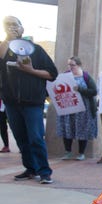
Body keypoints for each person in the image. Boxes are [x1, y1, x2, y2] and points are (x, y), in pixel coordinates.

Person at [0, 16, 58, 184]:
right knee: (21, 138)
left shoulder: (37, 50)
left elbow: (52, 74)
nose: (11, 27)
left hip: (33, 103)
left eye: (15, 24)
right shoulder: (4, 49)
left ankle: (44, 171)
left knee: (35, 137)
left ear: (22, 28)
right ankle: (30, 169)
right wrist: (7, 40)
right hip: (11, 103)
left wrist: (30, 70)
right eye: (7, 25)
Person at [57, 56, 98, 161]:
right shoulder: (65, 75)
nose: (70, 67)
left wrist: (80, 89)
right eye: (69, 64)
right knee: (67, 129)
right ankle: (68, 151)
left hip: (84, 109)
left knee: (82, 130)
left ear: (79, 65)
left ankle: (81, 153)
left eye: (72, 65)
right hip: (69, 108)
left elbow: (94, 91)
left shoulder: (85, 76)